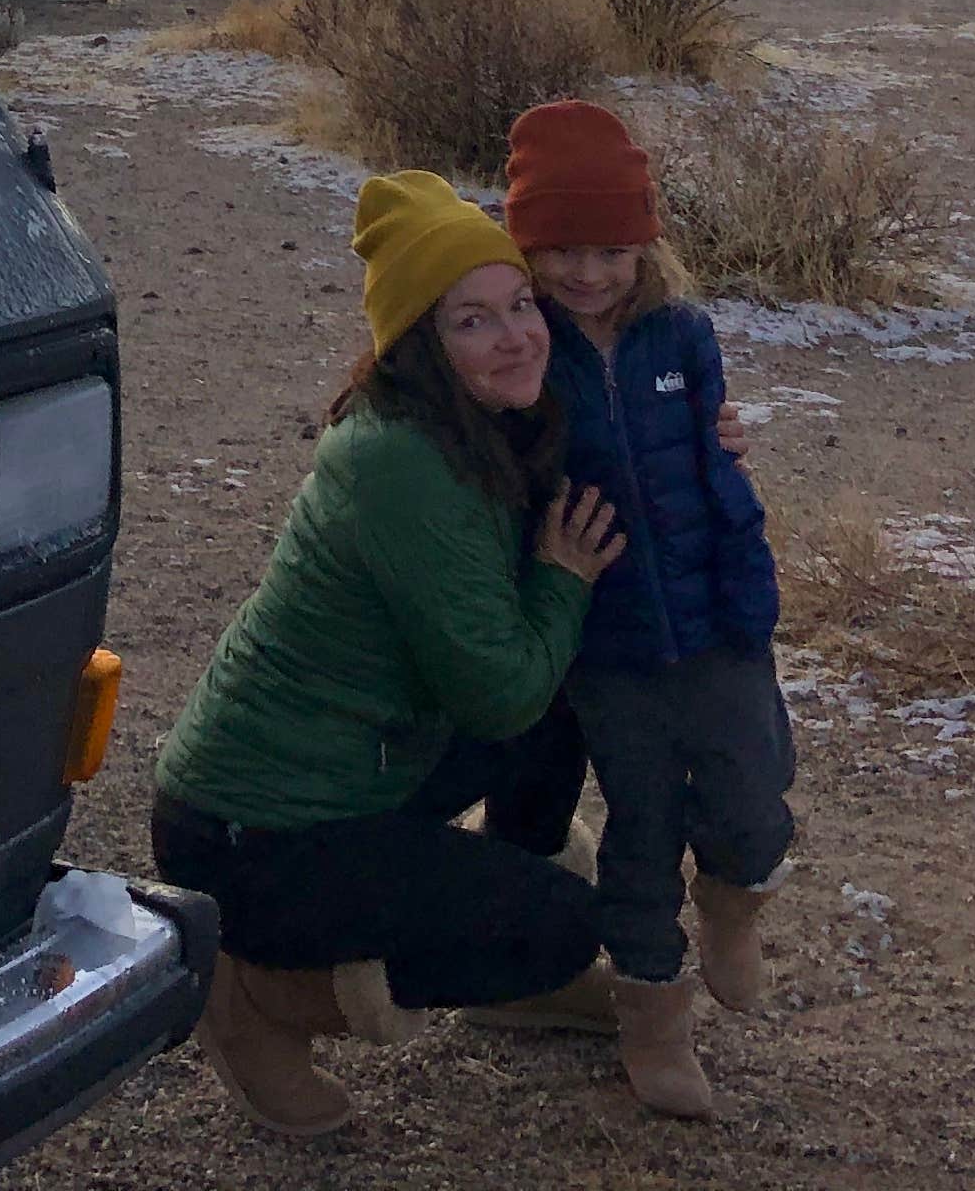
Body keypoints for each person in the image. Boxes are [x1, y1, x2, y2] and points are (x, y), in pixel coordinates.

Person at [147, 168, 628, 1139]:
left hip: (353, 771)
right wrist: (565, 581)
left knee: (558, 690)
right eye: (472, 321)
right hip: (254, 838)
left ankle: (505, 968)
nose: (517, 336)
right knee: (565, 923)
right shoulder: (403, 465)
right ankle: (256, 999)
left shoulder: (473, 424)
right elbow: (497, 694)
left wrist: (712, 437)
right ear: (419, 345)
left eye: (519, 305)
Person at [502, 97, 795, 1124]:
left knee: (755, 792)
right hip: (609, 638)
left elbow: (711, 461)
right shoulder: (524, 354)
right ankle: (653, 1016)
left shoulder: (683, 333)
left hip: (718, 614)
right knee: (642, 821)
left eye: (611, 249)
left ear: (645, 244)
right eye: (561, 250)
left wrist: (736, 495)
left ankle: (733, 901)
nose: (587, 273)